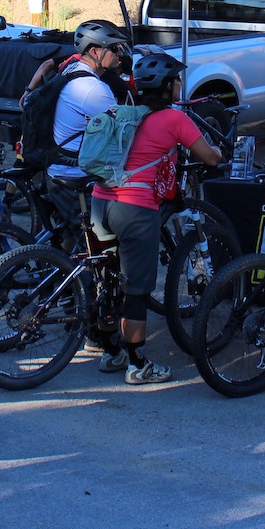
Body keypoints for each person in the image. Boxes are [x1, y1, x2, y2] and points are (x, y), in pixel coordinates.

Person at [90, 53, 222, 384]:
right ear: (167, 86)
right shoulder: (174, 119)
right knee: (137, 289)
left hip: (99, 202)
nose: (180, 85)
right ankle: (137, 365)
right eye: (177, 81)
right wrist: (218, 155)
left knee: (108, 280)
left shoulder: (121, 112)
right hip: (134, 209)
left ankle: (112, 352)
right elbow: (209, 156)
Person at [45, 19, 131, 227]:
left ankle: (54, 259)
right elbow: (124, 133)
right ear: (94, 52)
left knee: (69, 239)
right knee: (115, 236)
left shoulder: (72, 69)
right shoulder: (93, 89)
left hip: (59, 167)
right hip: (75, 177)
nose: (120, 54)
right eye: (114, 48)